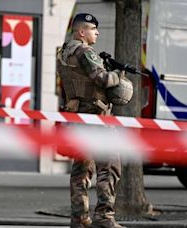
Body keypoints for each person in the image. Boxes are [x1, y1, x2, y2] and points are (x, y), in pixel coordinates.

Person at [57, 13, 125, 228]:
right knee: (109, 167)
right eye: (93, 29)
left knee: (81, 172)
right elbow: (102, 79)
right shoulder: (85, 52)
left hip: (76, 120)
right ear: (81, 32)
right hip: (97, 120)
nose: (96, 32)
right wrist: (119, 74)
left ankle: (79, 219)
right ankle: (104, 217)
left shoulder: (63, 53)